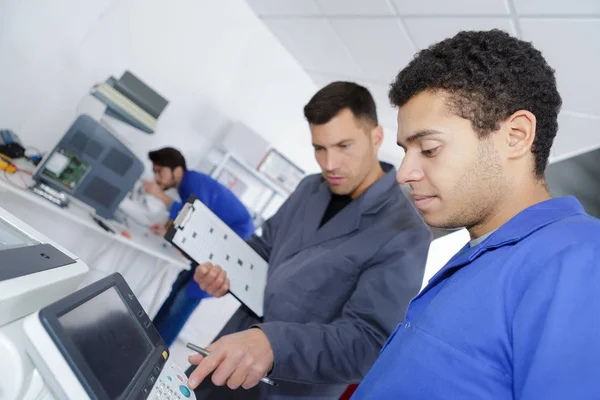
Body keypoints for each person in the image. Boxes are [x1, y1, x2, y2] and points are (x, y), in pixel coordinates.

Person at [351, 29, 600, 399]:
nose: (404, 173)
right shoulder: (477, 254)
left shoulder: (581, 259)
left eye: (429, 149)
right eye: (406, 150)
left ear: (515, 135)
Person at [185, 82, 432, 399]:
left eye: (343, 146)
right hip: (229, 359)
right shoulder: (308, 188)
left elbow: (367, 342)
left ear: (376, 138)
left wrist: (274, 343)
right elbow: (265, 248)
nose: (329, 164)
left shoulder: (405, 232)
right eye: (319, 148)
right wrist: (223, 271)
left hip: (289, 389)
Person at [144, 147, 255, 347]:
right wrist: (167, 229)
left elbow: (197, 219)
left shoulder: (193, 182)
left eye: (160, 171)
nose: (157, 177)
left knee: (185, 298)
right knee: (178, 288)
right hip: (217, 245)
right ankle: (148, 341)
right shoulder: (186, 185)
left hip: (231, 244)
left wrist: (161, 196)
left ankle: (155, 352)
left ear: (177, 170)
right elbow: (188, 218)